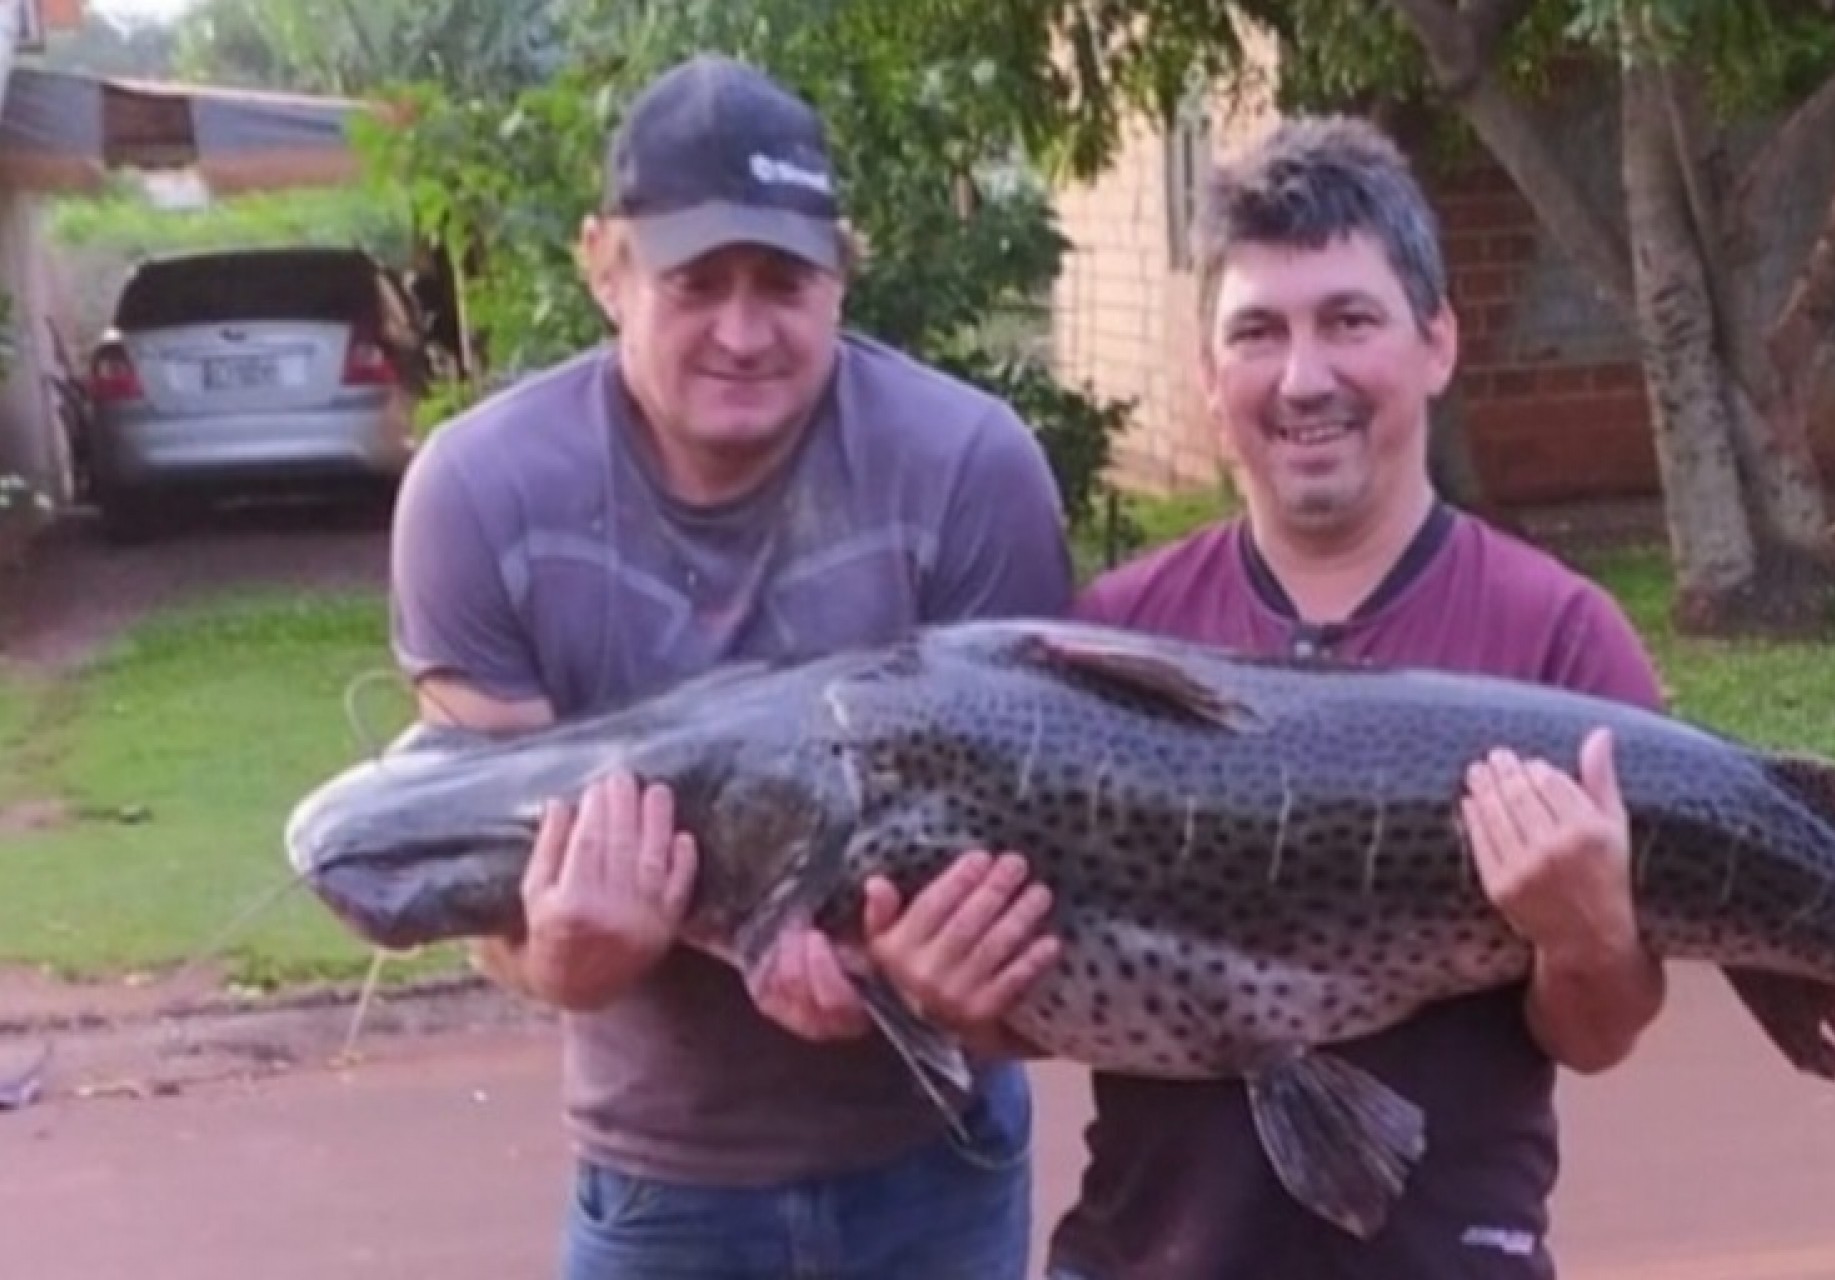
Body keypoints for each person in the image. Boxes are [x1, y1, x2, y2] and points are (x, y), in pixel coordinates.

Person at [860, 113, 1671, 1278]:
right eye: (1258, 331)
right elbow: (1016, 1011)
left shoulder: (1557, 635)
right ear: (1208, 374)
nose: (1304, 378)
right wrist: (953, 994)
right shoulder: (1103, 640)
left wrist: (1586, 931)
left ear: (1436, 342)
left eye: (1349, 320)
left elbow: (1597, 1032)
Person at [385, 52, 1074, 1280]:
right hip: (661, 1181)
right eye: (697, 282)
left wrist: (909, 988)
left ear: (842, 271)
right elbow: (475, 874)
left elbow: (1043, 845)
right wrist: (560, 960)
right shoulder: (476, 492)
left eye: (785, 281)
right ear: (605, 266)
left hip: (938, 1156)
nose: (744, 332)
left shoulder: (974, 468)